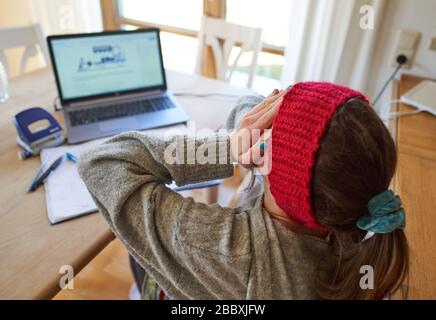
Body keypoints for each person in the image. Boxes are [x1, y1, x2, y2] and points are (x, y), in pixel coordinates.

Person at [78, 82, 409, 299]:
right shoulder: (354, 218)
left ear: (266, 161)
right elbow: (249, 103)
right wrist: (262, 127)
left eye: (272, 127)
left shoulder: (227, 248)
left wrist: (225, 148)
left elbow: (102, 163)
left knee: (135, 248)